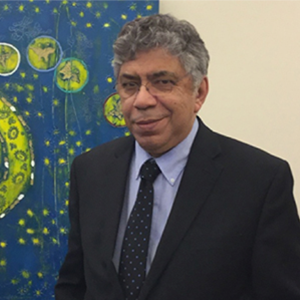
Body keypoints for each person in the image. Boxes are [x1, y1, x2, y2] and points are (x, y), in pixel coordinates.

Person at [55, 14, 300, 300]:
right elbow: (74, 283)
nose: (142, 100)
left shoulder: (261, 182)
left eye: (162, 82)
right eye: (130, 84)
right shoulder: (89, 171)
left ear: (199, 92)